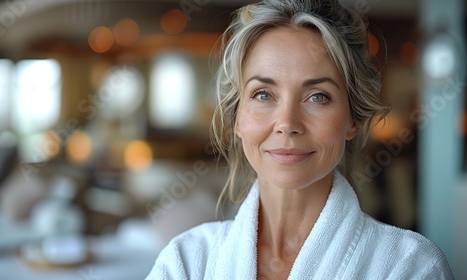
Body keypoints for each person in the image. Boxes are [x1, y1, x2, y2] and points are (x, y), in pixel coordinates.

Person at [146, 0, 454, 279]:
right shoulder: (186, 262)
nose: (287, 124)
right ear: (237, 118)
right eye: (263, 94)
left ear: (353, 120)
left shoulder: (410, 267)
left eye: (317, 97)